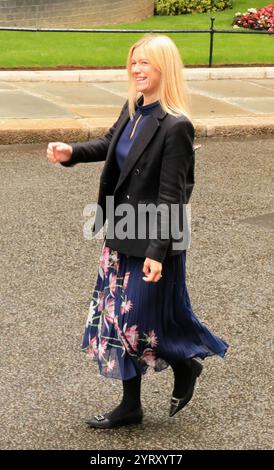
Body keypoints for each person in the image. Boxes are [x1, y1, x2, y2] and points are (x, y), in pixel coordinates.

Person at [47, 34, 228, 429]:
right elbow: (110, 145)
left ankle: (185, 364)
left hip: (153, 239)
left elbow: (172, 196)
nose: (136, 69)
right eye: (133, 62)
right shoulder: (134, 109)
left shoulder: (176, 125)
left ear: (165, 67)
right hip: (121, 231)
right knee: (113, 320)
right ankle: (131, 405)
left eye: (145, 62)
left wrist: (156, 252)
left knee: (144, 321)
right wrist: (72, 153)